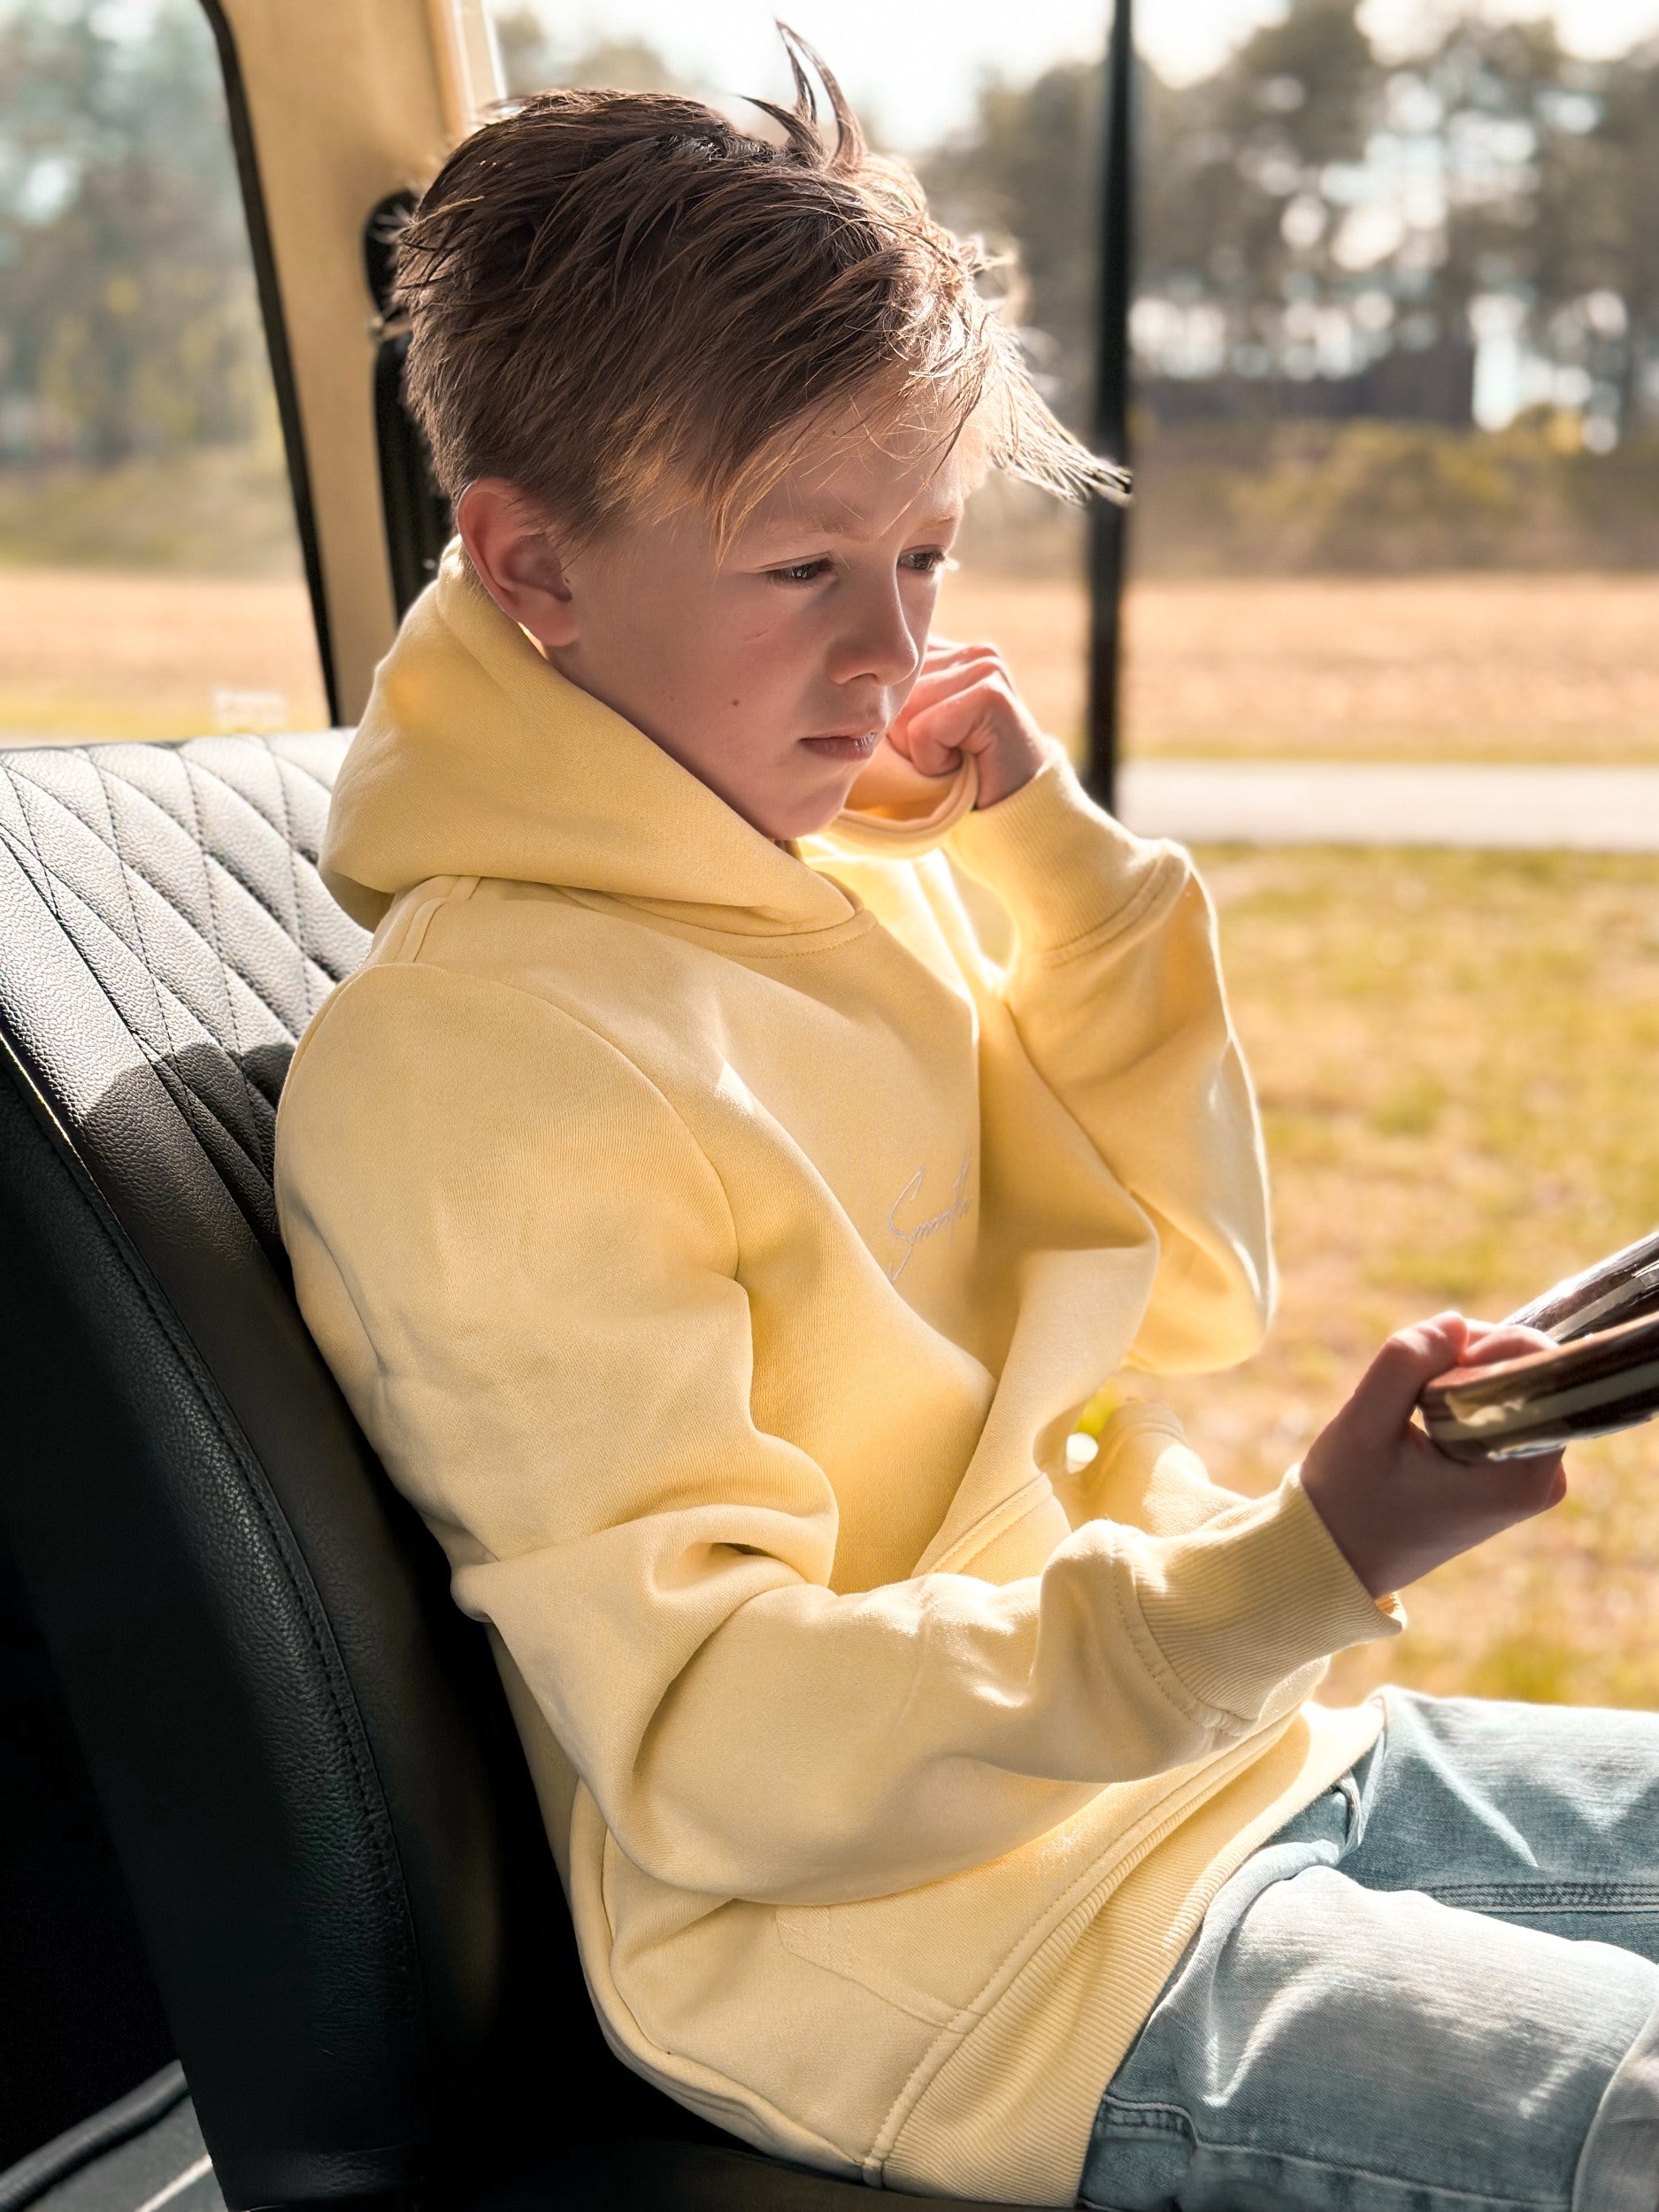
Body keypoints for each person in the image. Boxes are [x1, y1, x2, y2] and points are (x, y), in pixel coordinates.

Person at [273, 35, 1659, 2212]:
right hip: (952, 1957)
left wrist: (1044, 856)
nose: (893, 653)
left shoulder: (843, 869)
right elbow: (714, 1745)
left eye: (919, 553)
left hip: (1206, 1758)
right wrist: (1290, 1573)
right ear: (530, 568)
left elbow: (1189, 1285)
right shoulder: (477, 1060)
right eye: (797, 570)